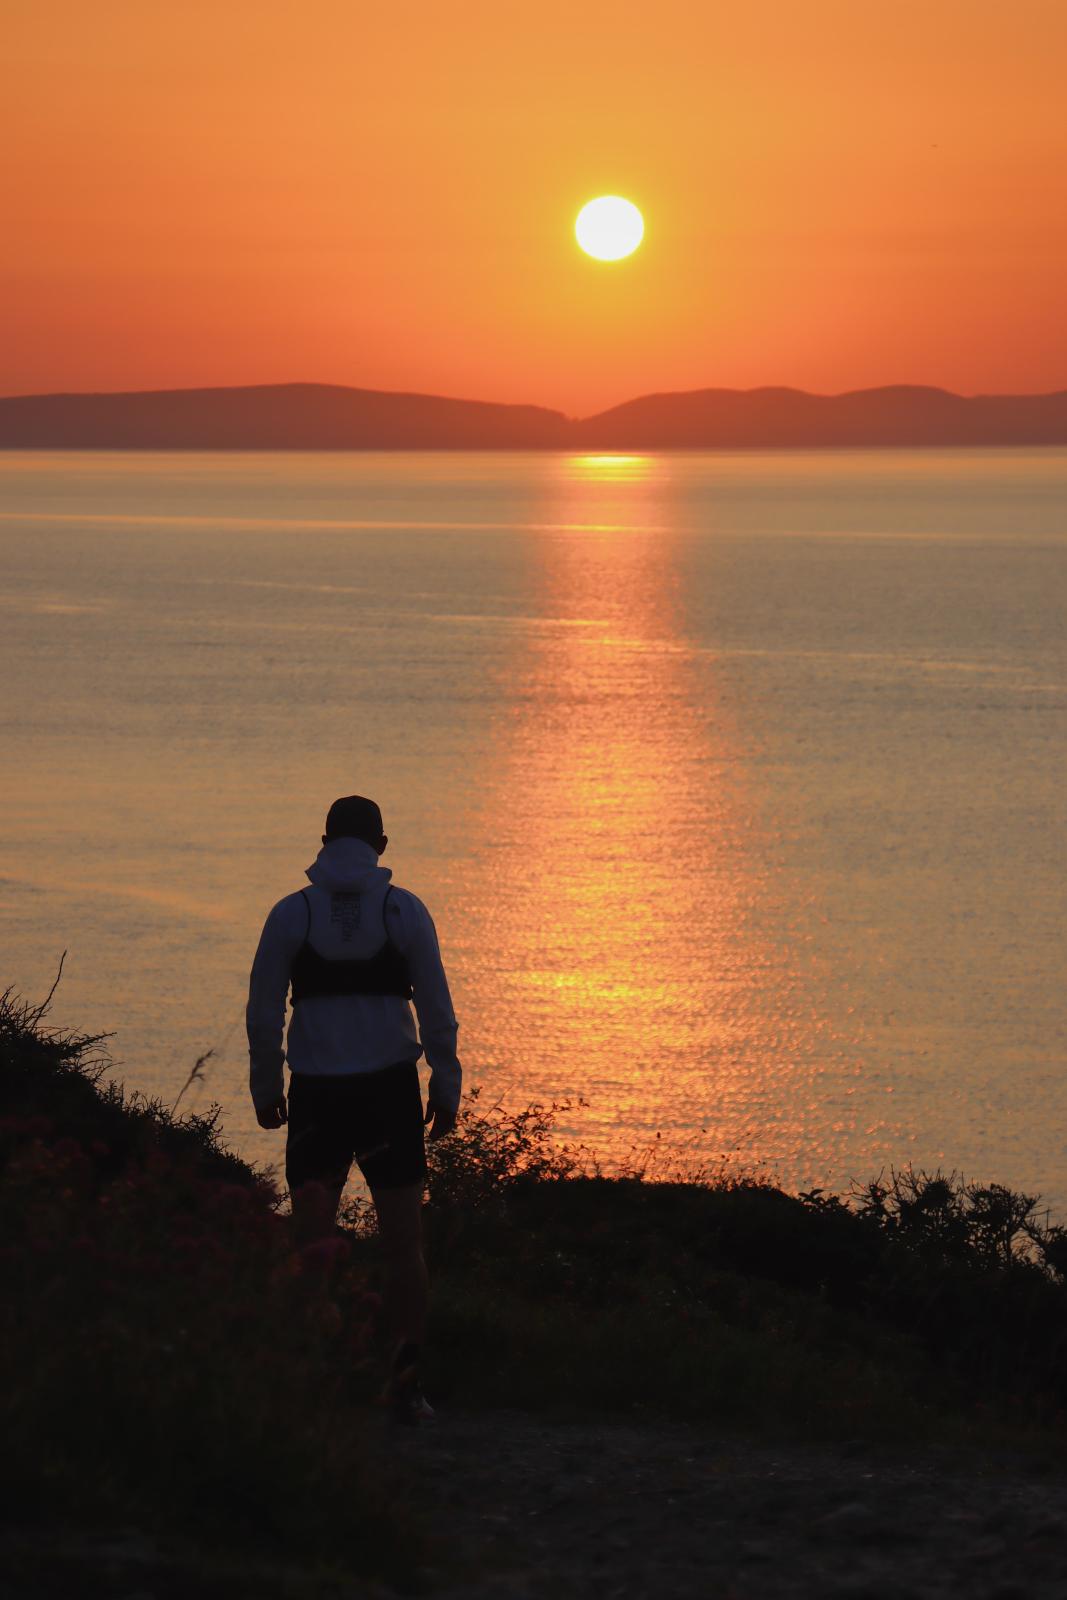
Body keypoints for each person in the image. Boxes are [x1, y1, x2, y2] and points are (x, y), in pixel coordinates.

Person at [246, 794, 461, 1422]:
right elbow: (438, 1009)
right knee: (403, 1245)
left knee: (312, 1243)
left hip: (316, 1094)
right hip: (389, 1094)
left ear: (323, 842)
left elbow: (264, 1012)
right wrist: (445, 1086)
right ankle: (405, 1385)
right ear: (381, 846)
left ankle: (313, 1382)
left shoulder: (292, 913)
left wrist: (266, 1086)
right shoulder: (404, 910)